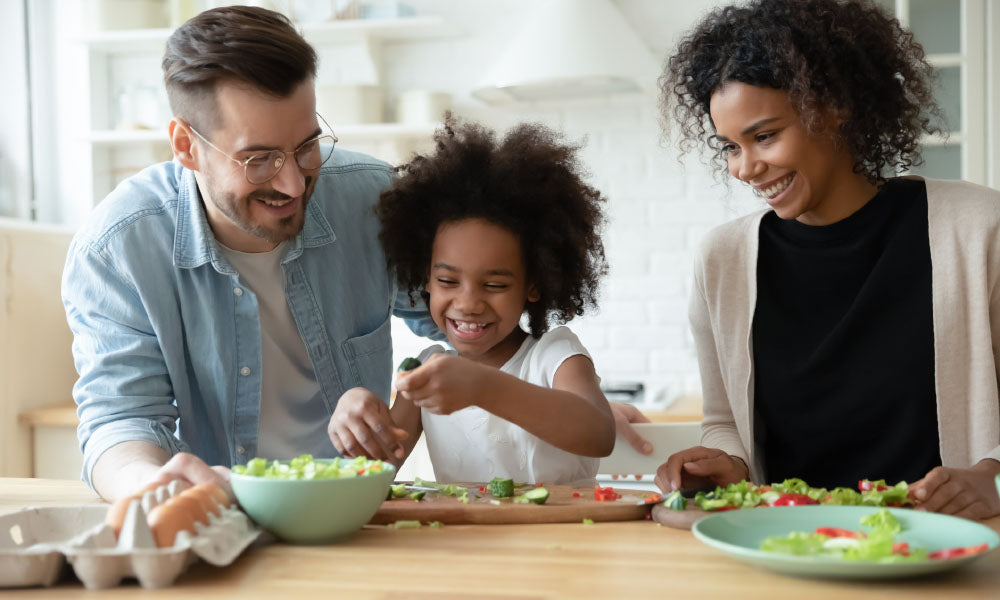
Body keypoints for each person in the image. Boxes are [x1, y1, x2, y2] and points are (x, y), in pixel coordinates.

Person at [61, 6, 437, 502]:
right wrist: (151, 486)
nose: (293, 182)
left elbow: (473, 330)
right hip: (221, 519)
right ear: (185, 146)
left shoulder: (375, 201)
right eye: (258, 159)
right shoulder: (117, 250)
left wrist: (415, 387)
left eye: (306, 146)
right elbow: (119, 418)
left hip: (358, 513)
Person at [653, 0, 1000, 519]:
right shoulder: (722, 260)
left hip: (942, 550)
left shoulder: (978, 229)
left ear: (834, 105)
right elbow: (724, 420)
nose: (745, 168)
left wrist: (990, 476)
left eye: (765, 136)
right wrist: (726, 463)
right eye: (729, 146)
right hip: (787, 546)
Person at [328, 118, 616, 485]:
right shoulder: (427, 372)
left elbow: (598, 433)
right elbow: (368, 478)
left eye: (494, 284)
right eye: (447, 281)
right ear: (424, 277)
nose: (468, 303)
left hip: (563, 539)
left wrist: (483, 386)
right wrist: (351, 413)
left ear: (533, 285)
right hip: (463, 542)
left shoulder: (555, 356)